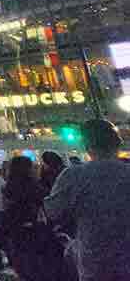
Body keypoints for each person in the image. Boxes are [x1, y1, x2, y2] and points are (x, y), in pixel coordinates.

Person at [45, 119, 130, 281]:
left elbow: (52, 213)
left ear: (86, 145)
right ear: (117, 144)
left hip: (95, 257)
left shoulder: (73, 176)